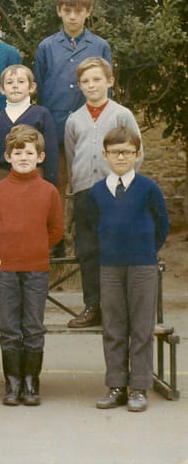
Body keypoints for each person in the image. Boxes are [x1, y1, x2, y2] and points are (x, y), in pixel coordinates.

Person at [89, 126, 168, 413]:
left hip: (142, 266)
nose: (121, 157)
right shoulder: (97, 192)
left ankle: (139, 388)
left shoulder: (148, 188)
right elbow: (92, 226)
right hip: (110, 266)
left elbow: (162, 225)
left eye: (126, 152)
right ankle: (116, 386)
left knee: (141, 328)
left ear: (137, 154)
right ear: (105, 155)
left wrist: (145, 251)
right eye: (115, 152)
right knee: (114, 327)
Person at [0, 125, 63, 406]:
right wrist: (6, 248)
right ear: (8, 157)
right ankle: (12, 383)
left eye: (29, 153)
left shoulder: (49, 191)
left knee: (33, 325)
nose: (23, 158)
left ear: (40, 157)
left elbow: (56, 229)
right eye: (17, 153)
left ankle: (31, 383)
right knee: (9, 327)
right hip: (6, 268)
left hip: (36, 268)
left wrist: (36, 247)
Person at [64, 57, 142, 328]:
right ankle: (92, 306)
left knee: (116, 248)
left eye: (97, 79)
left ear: (110, 81)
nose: (91, 85)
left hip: (115, 191)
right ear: (79, 85)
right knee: (88, 250)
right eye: (85, 81)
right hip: (86, 192)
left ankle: (118, 308)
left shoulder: (121, 115)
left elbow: (137, 151)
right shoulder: (74, 120)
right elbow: (72, 154)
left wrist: (123, 181)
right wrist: (78, 183)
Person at [33, 0, 112, 251]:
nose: (73, 17)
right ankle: (56, 239)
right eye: (67, 11)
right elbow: (41, 86)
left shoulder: (100, 46)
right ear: (59, 11)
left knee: (88, 182)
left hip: (89, 128)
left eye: (78, 11)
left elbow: (105, 89)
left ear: (88, 12)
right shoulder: (47, 46)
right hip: (55, 126)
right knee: (56, 181)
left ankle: (86, 240)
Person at [0, 65, 58, 192]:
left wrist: (51, 186)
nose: (15, 86)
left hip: (35, 178)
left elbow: (51, 155)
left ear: (31, 87)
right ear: (2, 89)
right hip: (2, 178)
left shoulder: (41, 115)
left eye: (21, 81)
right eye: (9, 82)